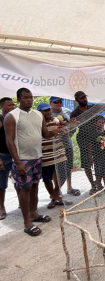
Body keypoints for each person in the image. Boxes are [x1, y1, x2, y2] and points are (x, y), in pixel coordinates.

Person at [4, 88, 65, 236]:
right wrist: (18, 162)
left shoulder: (38, 115)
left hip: (38, 157)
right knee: (24, 188)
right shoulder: (12, 116)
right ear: (18, 99)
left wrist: (56, 131)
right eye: (25, 98)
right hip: (22, 159)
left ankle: (34, 214)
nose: (29, 100)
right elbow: (10, 141)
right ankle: (27, 222)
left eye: (30, 97)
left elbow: (45, 133)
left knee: (35, 185)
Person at [70, 89, 105, 194]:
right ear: (77, 100)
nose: (84, 99)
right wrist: (72, 125)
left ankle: (104, 185)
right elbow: (73, 129)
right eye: (82, 98)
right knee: (87, 163)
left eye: (85, 97)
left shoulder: (92, 108)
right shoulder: (75, 113)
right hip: (84, 139)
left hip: (97, 137)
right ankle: (93, 185)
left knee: (101, 160)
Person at [36, 103, 72, 209]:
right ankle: (54, 199)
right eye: (44, 110)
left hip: (59, 152)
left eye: (48, 110)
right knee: (47, 179)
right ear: (39, 112)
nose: (48, 112)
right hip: (45, 154)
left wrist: (65, 126)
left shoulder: (56, 120)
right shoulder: (37, 123)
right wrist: (56, 130)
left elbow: (64, 126)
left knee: (63, 175)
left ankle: (55, 194)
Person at [49, 96, 80, 196]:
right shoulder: (47, 114)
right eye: (56, 102)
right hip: (55, 146)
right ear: (51, 104)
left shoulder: (67, 111)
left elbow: (73, 126)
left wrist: (72, 130)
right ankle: (57, 190)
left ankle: (69, 187)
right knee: (57, 169)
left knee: (68, 166)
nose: (59, 104)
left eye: (60, 102)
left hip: (67, 143)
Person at [0, 97, 16, 220]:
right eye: (9, 105)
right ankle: (2, 208)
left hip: (16, 154)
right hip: (3, 156)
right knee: (2, 184)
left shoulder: (15, 118)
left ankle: (22, 204)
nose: (12, 107)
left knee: (19, 181)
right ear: (2, 106)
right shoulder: (0, 119)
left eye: (13, 104)